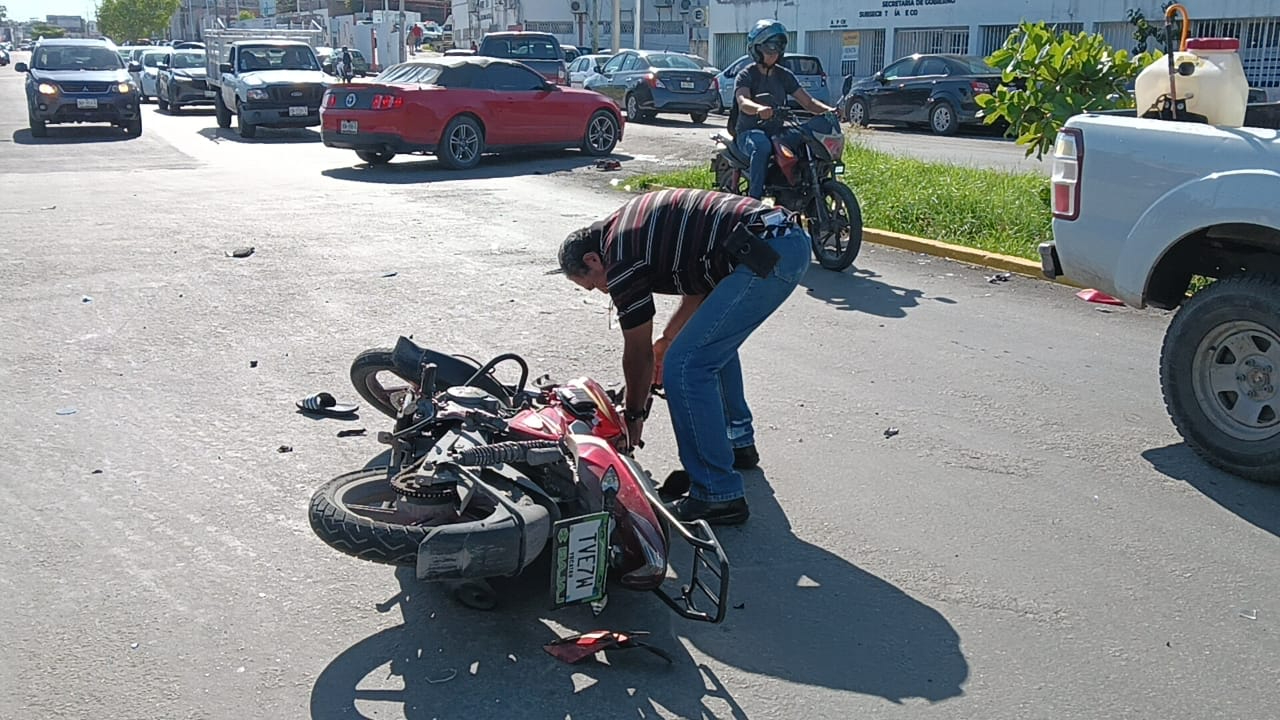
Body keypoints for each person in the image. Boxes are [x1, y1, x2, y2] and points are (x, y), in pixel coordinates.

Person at [557, 188, 811, 526]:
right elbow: (698, 291)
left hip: (766, 251)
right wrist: (667, 340)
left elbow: (636, 353)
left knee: (687, 366)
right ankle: (737, 442)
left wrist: (634, 414)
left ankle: (717, 494)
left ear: (592, 260)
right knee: (707, 350)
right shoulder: (630, 227)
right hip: (782, 240)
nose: (606, 292)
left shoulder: (619, 255)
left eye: (596, 285)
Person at [733, 19, 836, 200]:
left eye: (778, 49)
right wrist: (759, 109)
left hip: (777, 131)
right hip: (749, 132)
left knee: (807, 138)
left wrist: (830, 111)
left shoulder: (784, 75)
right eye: (769, 49)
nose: (774, 54)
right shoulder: (746, 75)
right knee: (762, 146)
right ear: (756, 49)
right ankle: (753, 201)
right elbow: (743, 102)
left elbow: (809, 102)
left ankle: (803, 186)